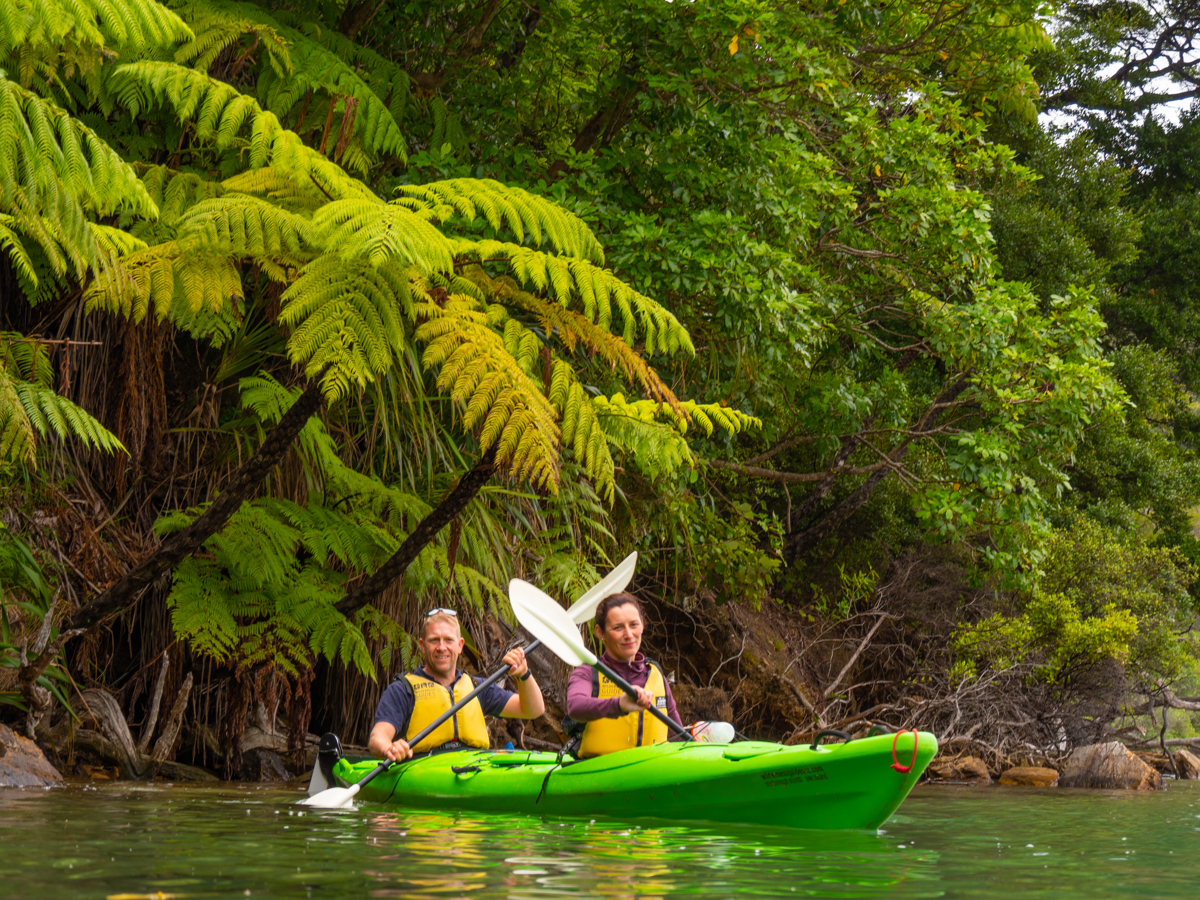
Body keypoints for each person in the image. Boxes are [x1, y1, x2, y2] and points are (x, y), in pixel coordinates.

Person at [368, 608, 545, 761]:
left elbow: (533, 710)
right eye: (434, 640)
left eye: (448, 640)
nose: (442, 647)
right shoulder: (402, 690)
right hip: (424, 768)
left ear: (460, 645)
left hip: (474, 768)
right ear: (422, 646)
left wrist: (524, 674)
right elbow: (378, 737)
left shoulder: (478, 688)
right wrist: (389, 749)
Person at [566, 591, 683, 757]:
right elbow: (575, 707)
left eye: (634, 625)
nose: (629, 635)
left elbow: (677, 736)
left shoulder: (655, 675)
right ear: (600, 632)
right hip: (600, 775)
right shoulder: (587, 673)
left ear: (642, 625)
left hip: (653, 775)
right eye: (618, 627)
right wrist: (618, 705)